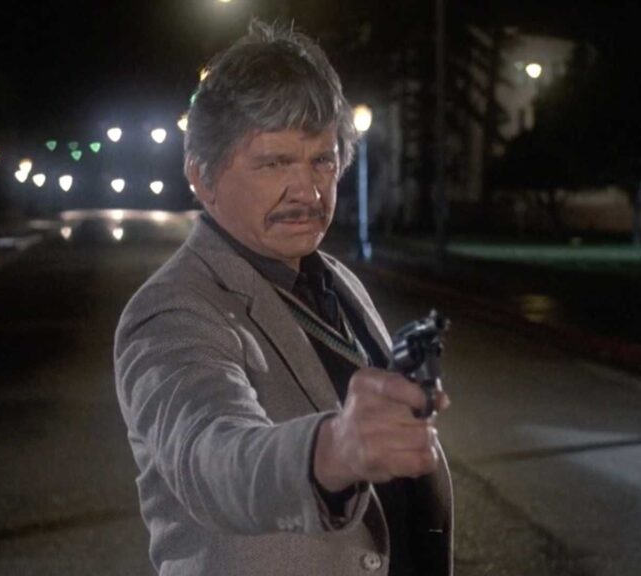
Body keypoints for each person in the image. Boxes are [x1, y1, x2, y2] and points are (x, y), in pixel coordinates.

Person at [114, 21, 453, 576]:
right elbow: (211, 457)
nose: (308, 191)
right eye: (274, 163)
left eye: (322, 160)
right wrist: (335, 450)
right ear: (202, 176)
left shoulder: (335, 280)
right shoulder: (171, 310)